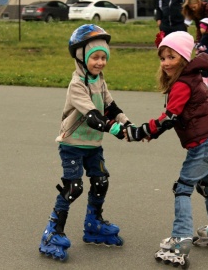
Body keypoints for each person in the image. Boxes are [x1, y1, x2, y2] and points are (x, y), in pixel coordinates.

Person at [125, 31, 208, 268]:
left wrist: (144, 131)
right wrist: (151, 132)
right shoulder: (192, 77)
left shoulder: (182, 84)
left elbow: (169, 117)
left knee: (183, 187)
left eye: (171, 57)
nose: (165, 63)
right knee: (207, 186)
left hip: (204, 144)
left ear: (184, 59)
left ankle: (181, 239)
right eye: (162, 58)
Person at [39, 24, 132, 261]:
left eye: (104, 57)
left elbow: (111, 106)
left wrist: (127, 124)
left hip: (93, 146)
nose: (100, 62)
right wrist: (115, 129)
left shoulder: (99, 80)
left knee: (100, 181)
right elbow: (93, 116)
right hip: (72, 144)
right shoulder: (77, 85)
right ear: (81, 57)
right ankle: (52, 232)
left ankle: (93, 223)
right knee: (74, 188)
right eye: (95, 57)